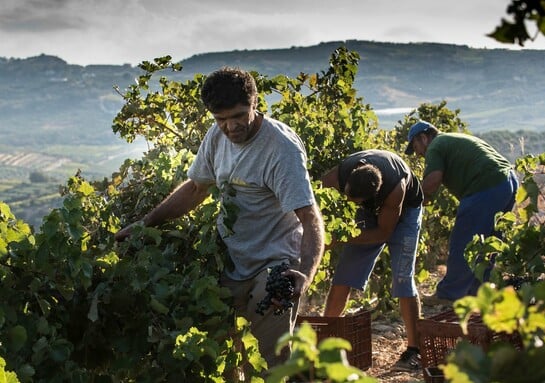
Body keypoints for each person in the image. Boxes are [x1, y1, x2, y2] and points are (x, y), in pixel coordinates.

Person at [115, 67, 325, 367]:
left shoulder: (281, 150)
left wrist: (305, 275)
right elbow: (196, 188)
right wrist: (144, 224)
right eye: (221, 119)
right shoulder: (217, 136)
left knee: (271, 365)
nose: (230, 127)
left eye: (239, 115)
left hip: (274, 265)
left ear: (255, 103)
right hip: (231, 263)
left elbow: (310, 218)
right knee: (225, 358)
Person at [320, 149, 424, 371]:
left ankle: (414, 351)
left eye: (353, 201)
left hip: (406, 211)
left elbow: (383, 233)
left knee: (403, 279)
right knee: (344, 276)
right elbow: (314, 201)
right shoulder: (340, 174)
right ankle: (324, 340)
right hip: (371, 211)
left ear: (372, 196)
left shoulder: (394, 189)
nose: (348, 201)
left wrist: (339, 238)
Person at [404, 120, 518, 302]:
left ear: (424, 138)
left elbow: (431, 183)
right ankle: (478, 292)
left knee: (463, 242)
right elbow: (429, 194)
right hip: (507, 182)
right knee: (486, 243)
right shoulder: (451, 140)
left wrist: (405, 202)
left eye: (415, 146)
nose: (417, 153)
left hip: (485, 184)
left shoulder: (435, 147)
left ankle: (448, 294)